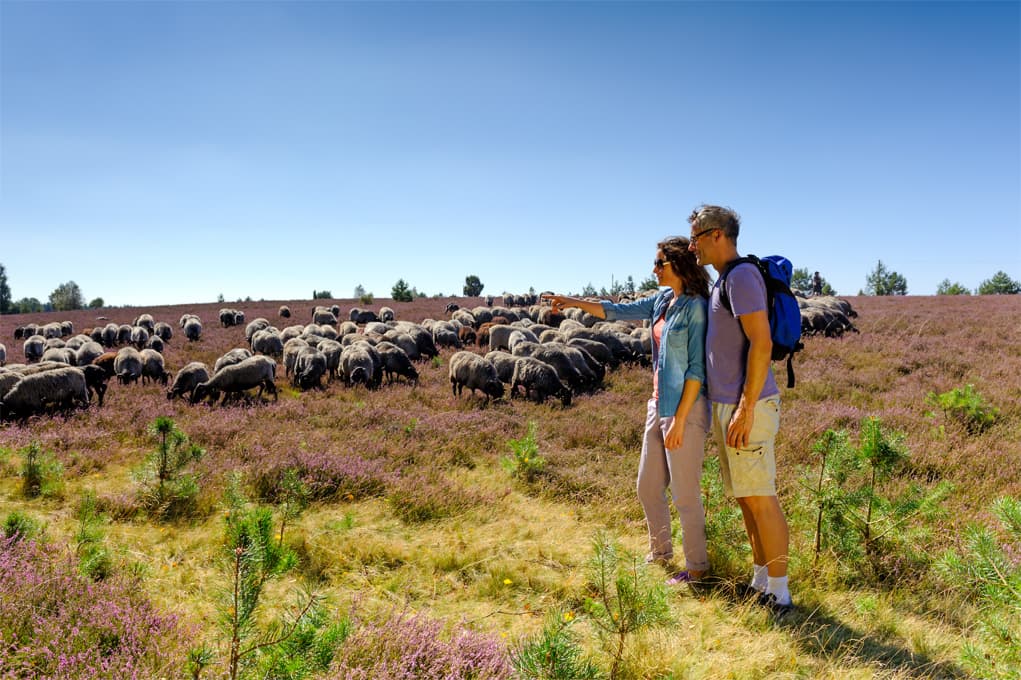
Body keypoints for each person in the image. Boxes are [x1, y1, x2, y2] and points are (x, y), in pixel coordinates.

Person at [544, 237, 712, 583]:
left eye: (659, 263)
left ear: (678, 264)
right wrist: (571, 300)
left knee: (684, 495)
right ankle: (661, 551)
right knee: (647, 486)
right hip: (658, 404)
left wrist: (680, 419)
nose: (653, 269)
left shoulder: (695, 307)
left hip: (686, 408)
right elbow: (616, 311)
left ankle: (697, 569)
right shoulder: (664, 300)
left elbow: (696, 368)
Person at [687, 204, 793, 614]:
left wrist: (746, 407)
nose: (693, 245)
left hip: (745, 406)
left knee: (762, 497)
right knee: (747, 497)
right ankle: (761, 581)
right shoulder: (723, 281)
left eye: (697, 236)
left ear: (718, 235)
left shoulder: (743, 277)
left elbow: (762, 343)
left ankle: (781, 595)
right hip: (728, 406)